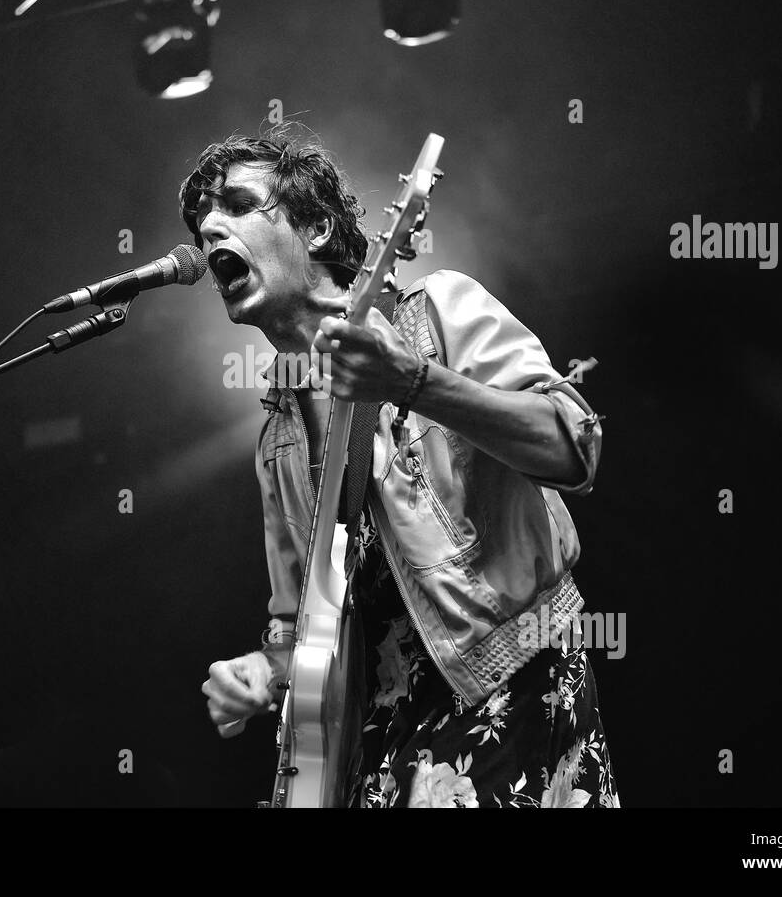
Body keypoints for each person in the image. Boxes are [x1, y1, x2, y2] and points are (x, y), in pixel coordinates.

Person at [186, 129, 619, 808]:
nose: (211, 225)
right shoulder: (278, 437)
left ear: (317, 226)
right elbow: (300, 626)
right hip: (377, 737)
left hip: (508, 682)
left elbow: (573, 446)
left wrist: (413, 382)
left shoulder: (435, 313)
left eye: (239, 205)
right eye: (203, 219)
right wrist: (259, 674)